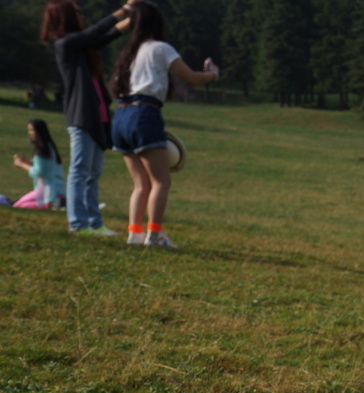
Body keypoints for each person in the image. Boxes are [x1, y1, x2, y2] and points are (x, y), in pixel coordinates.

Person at [110, 0, 219, 248]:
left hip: (121, 116)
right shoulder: (160, 48)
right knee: (161, 181)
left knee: (140, 183)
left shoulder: (128, 52)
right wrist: (213, 74)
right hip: (144, 114)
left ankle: (134, 234)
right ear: (157, 23)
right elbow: (191, 77)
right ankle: (155, 235)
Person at [40, 0, 134, 235]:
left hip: (96, 116)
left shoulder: (80, 48)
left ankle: (94, 223)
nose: (81, 16)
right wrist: (125, 8)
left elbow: (106, 36)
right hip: (81, 116)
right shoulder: (66, 44)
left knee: (93, 174)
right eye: (76, 13)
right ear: (68, 18)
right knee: (80, 171)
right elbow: (97, 31)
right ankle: (78, 223)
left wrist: (136, 19)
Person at [11, 119, 66, 209]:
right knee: (17, 204)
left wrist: (21, 164)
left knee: (19, 206)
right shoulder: (49, 147)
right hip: (55, 190)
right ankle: (58, 202)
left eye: (32, 130)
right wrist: (28, 162)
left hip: (49, 192)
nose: (30, 133)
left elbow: (39, 172)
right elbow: (45, 167)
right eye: (29, 130)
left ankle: (56, 203)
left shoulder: (42, 150)